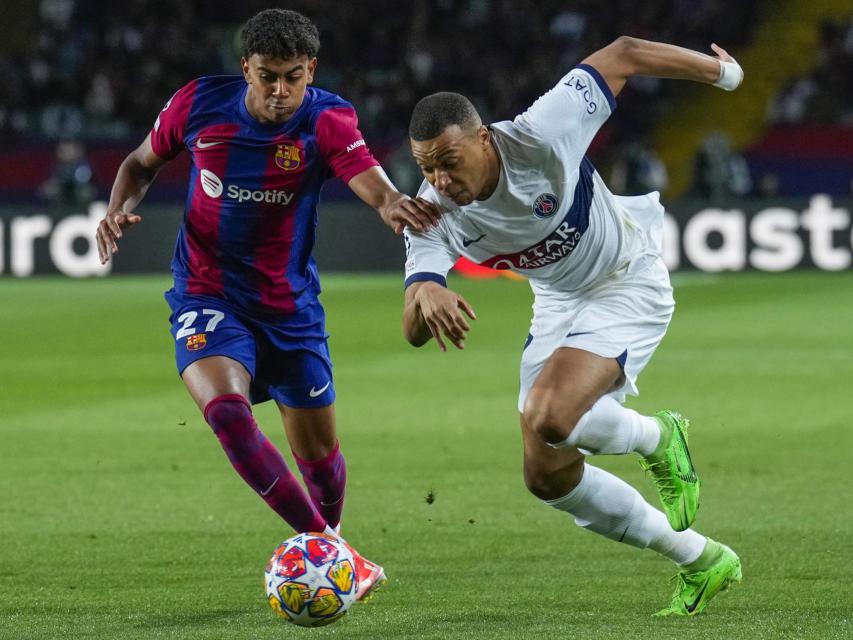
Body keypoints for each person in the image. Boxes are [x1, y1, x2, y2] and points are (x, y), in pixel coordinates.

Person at [95, 8, 441, 600]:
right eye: (266, 76)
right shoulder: (198, 105)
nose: (280, 91)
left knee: (321, 455)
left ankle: (332, 539)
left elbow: (373, 183)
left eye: (292, 77)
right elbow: (138, 164)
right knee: (228, 414)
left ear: (311, 70)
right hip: (205, 290)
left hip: (288, 305)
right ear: (244, 69)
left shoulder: (328, 118)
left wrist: (391, 206)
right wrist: (115, 209)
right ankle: (340, 557)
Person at [401, 36, 744, 617]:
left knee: (552, 415)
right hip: (557, 303)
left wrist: (724, 76)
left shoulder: (542, 131)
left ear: (483, 138)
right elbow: (413, 330)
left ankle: (658, 437)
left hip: (625, 278)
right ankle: (702, 559)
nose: (440, 180)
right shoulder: (431, 211)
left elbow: (626, 53)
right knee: (547, 475)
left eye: (449, 162)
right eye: (426, 167)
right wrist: (423, 288)